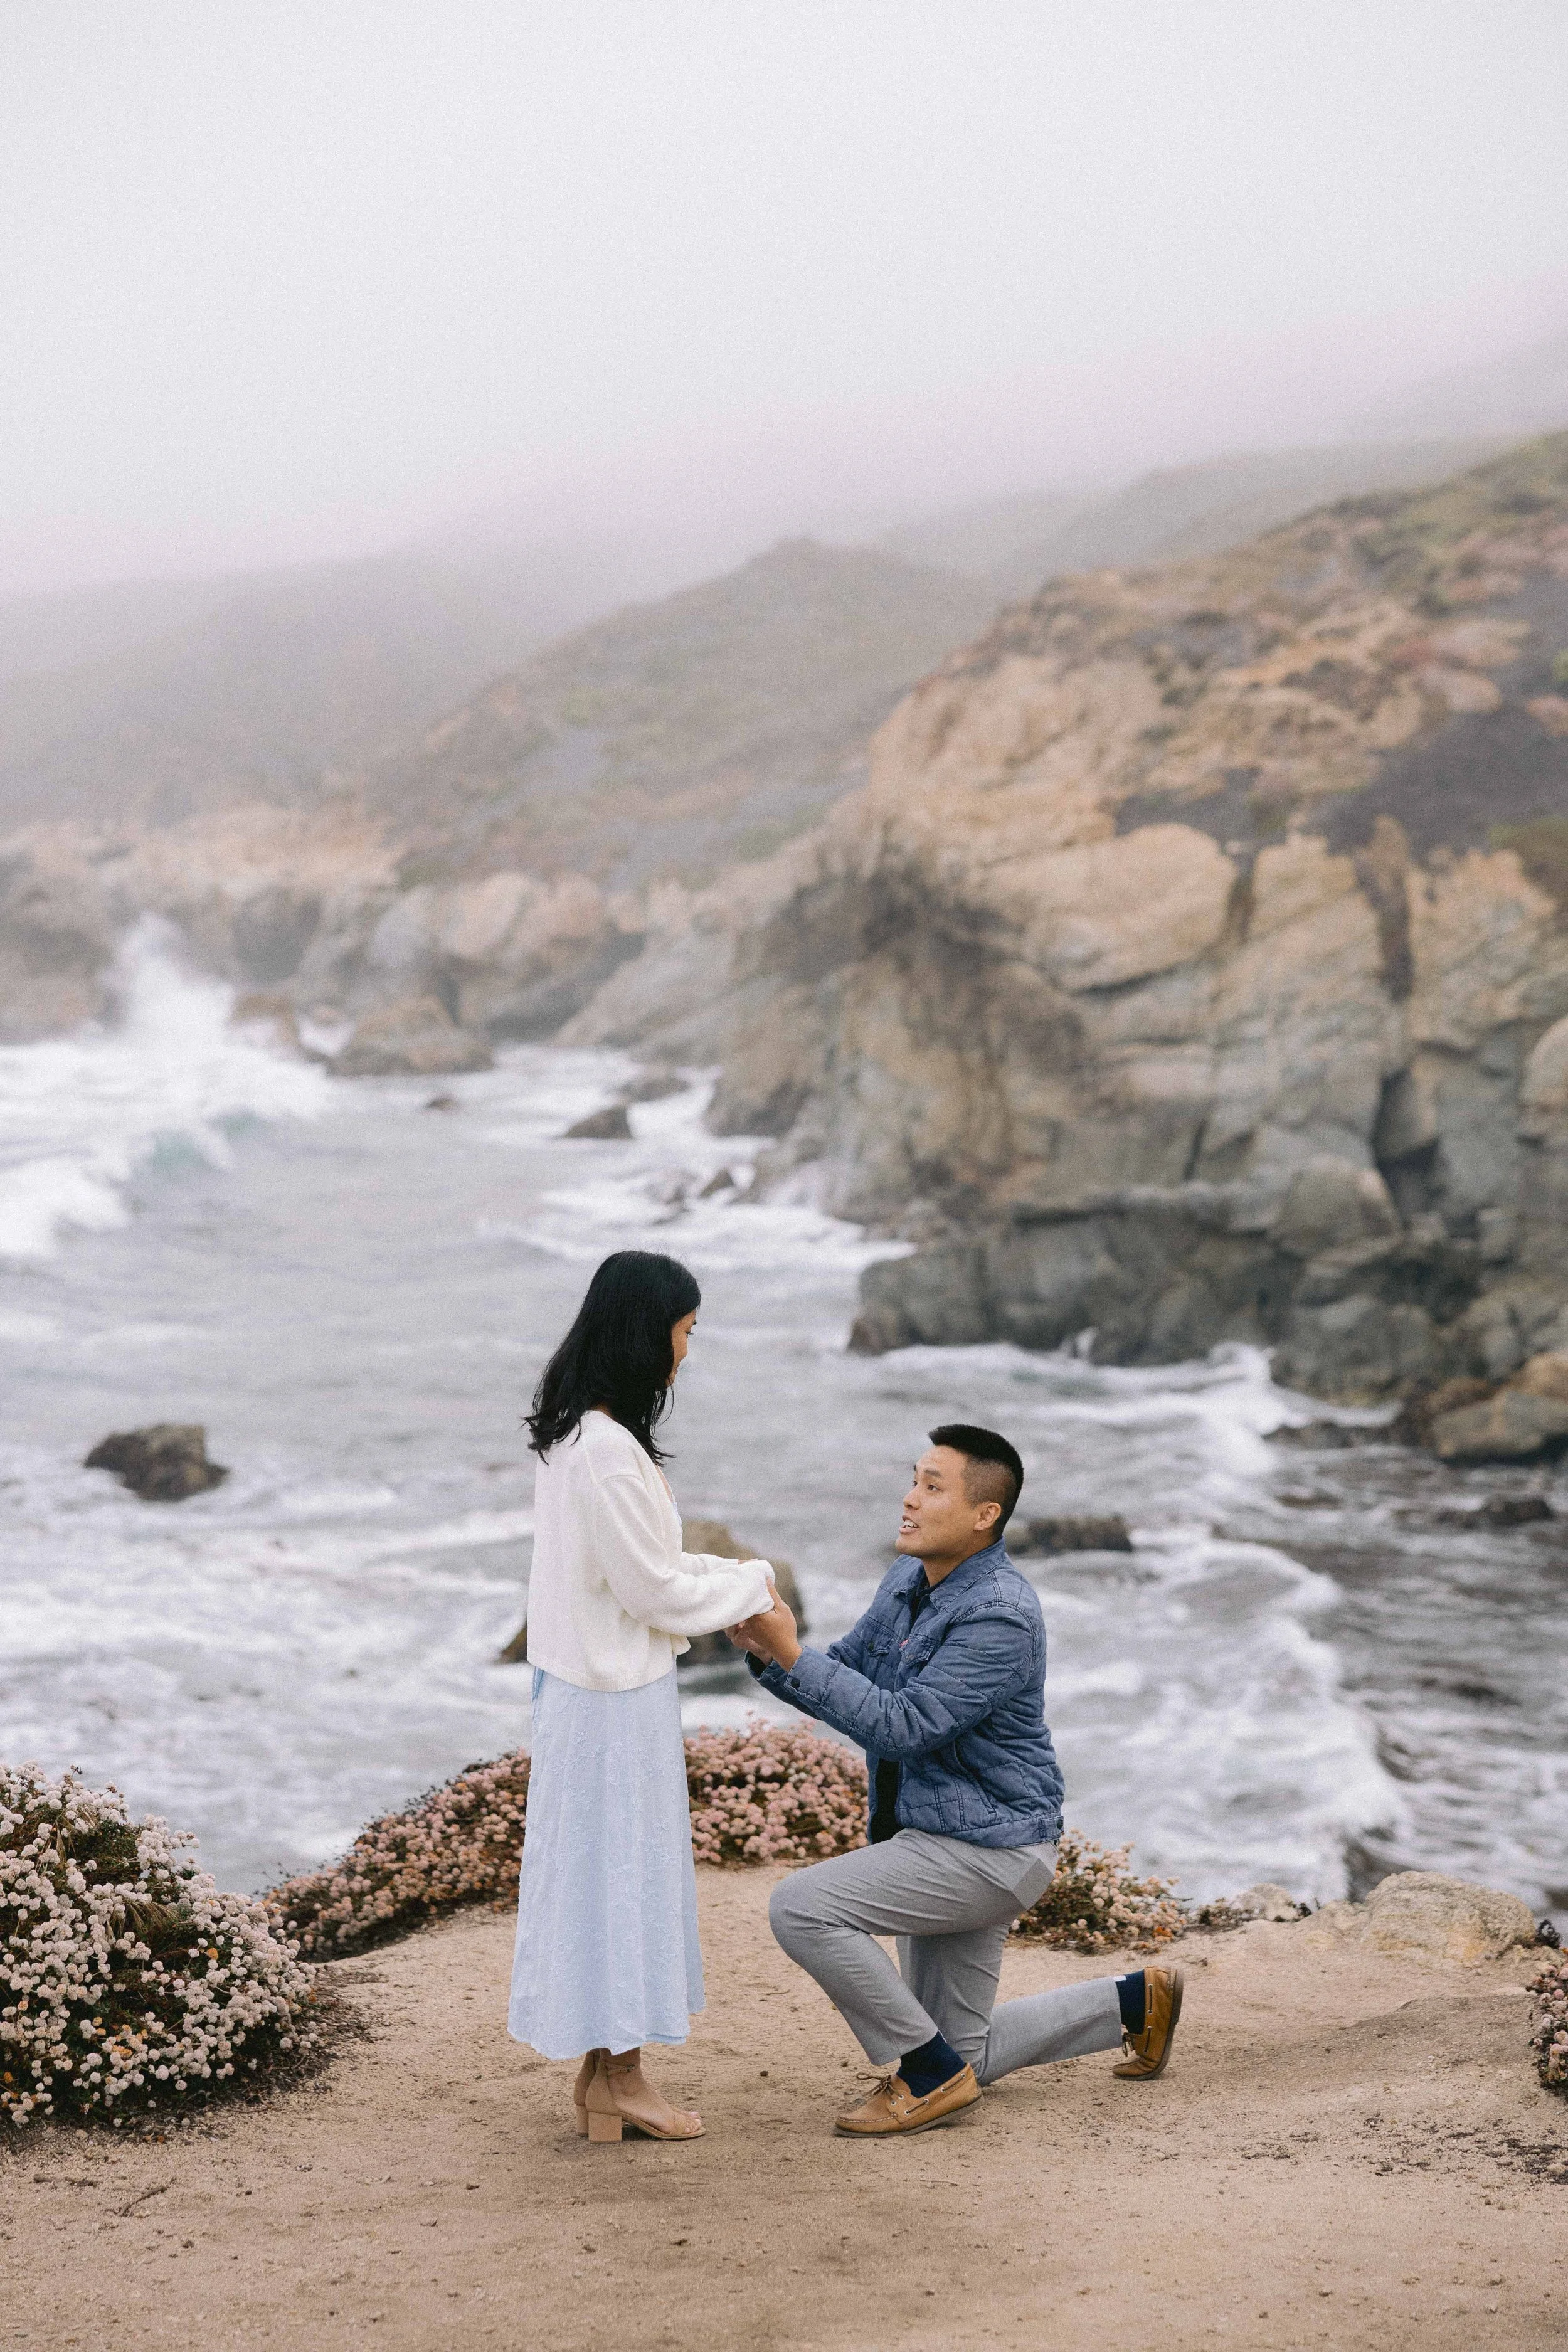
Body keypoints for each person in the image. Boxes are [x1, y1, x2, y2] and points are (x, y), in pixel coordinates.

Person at [728, 1424, 1181, 2137]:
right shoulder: (907, 1579)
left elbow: (904, 1726)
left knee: (802, 1907)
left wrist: (791, 1654)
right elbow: (845, 1673)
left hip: (991, 1852)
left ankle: (926, 2075)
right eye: (913, 1481)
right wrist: (768, 1649)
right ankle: (1133, 2002)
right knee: (966, 2053)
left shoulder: (1000, 1614)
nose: (910, 1499)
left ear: (984, 1515)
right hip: (936, 1839)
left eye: (932, 1487)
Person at [508, 1248, 775, 2144]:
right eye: (685, 1331)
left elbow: (642, 1568)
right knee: (622, 1882)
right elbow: (654, 1591)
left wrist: (735, 1575)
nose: (687, 1352)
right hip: (614, 1701)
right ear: (644, 1332)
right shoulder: (609, 1453)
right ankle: (623, 2077)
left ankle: (601, 2075)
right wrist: (753, 1586)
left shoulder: (574, 1438)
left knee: (597, 1881)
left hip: (582, 1690)